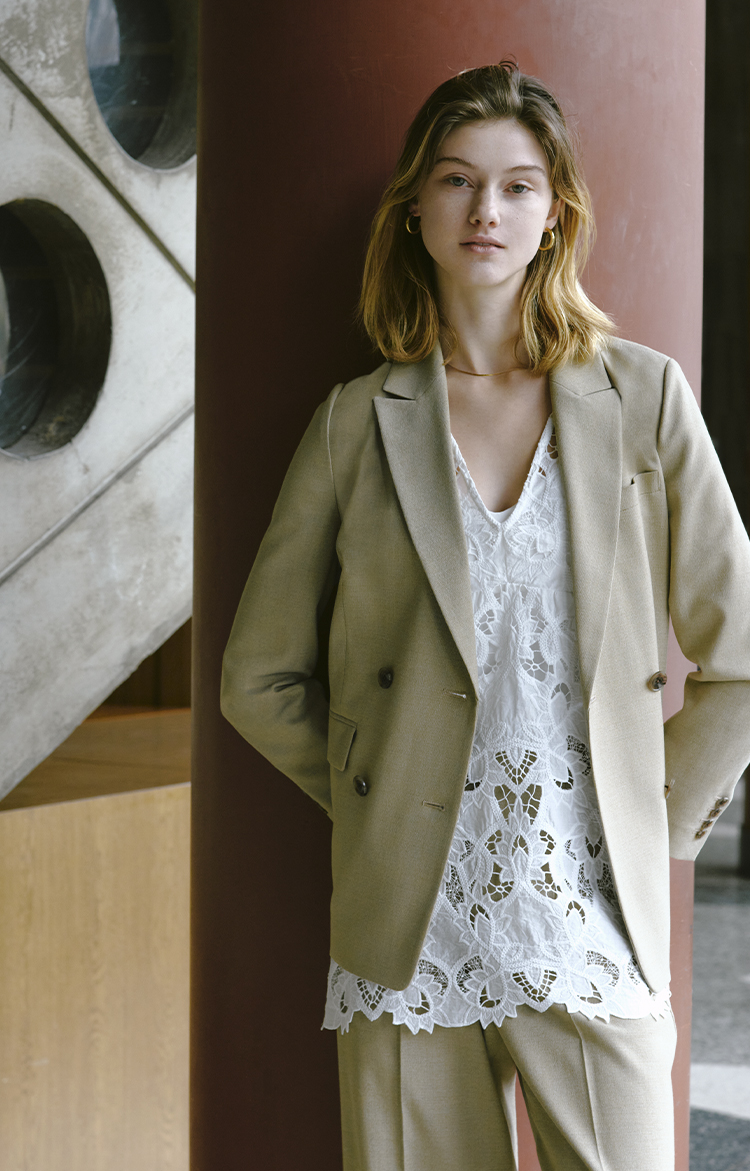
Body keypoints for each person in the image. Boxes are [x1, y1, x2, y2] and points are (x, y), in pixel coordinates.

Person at [220, 62, 750, 1171]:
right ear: (415, 208)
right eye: (457, 181)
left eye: (517, 185)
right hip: (410, 935)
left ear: (556, 211)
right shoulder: (355, 425)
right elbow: (256, 677)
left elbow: (742, 650)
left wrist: (649, 814)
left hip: (589, 920)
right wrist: (383, 791)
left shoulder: (644, 397)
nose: (486, 210)